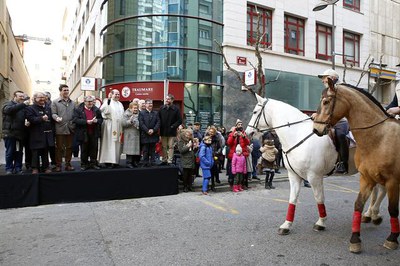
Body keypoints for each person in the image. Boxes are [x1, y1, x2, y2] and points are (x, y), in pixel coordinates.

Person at [314, 69, 350, 174]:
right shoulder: (325, 92)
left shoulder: (342, 88)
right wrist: (317, 114)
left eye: (324, 78)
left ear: (332, 78)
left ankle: (343, 163)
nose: (322, 81)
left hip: (342, 121)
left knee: (340, 134)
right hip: (328, 120)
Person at [25, 92, 55, 174]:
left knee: (45, 151)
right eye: (40, 97)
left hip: (46, 134)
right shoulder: (30, 108)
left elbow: (51, 121)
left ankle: (46, 167)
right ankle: (35, 168)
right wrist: (41, 118)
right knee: (35, 152)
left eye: (44, 97)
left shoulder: (48, 108)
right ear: (35, 99)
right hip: (35, 133)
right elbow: (31, 119)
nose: (42, 99)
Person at [1, 90, 30, 174]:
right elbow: (8, 110)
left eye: (23, 96)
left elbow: (27, 116)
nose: (22, 98)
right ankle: (9, 169)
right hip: (9, 133)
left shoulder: (23, 106)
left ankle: (18, 168)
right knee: (10, 152)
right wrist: (23, 104)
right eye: (20, 96)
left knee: (19, 152)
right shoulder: (7, 104)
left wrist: (27, 122)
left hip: (20, 134)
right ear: (15, 96)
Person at [73, 95, 103, 171]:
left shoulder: (96, 109)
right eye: (88, 101)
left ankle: (93, 163)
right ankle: (84, 164)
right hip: (83, 133)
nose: (90, 103)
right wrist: (86, 122)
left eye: (92, 101)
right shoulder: (78, 109)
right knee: (84, 149)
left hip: (94, 132)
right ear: (85, 102)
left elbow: (101, 119)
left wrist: (97, 121)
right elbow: (75, 120)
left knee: (94, 149)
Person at [51, 84, 76, 172]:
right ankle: (58, 165)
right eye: (64, 90)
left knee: (69, 147)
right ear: (60, 91)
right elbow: (53, 113)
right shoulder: (55, 102)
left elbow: (75, 115)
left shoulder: (73, 103)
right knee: (59, 148)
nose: (66, 92)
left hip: (70, 128)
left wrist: (73, 123)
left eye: (67, 90)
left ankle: (68, 164)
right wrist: (56, 118)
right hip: (60, 128)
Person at [98, 89, 125, 168]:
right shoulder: (108, 102)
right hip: (109, 126)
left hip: (118, 126)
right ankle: (108, 161)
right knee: (108, 143)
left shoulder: (120, 104)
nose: (117, 96)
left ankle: (115, 161)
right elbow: (101, 111)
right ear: (111, 94)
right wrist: (108, 103)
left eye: (118, 94)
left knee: (117, 143)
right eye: (115, 94)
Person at [158, 94, 182, 165]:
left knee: (171, 147)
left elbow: (179, 120)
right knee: (164, 146)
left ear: (172, 100)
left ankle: (170, 161)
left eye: (168, 99)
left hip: (172, 131)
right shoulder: (161, 108)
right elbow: (158, 119)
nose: (167, 100)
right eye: (166, 99)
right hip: (163, 131)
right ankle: (164, 160)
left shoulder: (176, 109)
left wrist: (173, 126)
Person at [226, 119, 250, 187]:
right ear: (236, 126)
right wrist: (233, 136)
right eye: (239, 124)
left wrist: (244, 137)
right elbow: (229, 143)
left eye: (241, 124)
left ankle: (241, 183)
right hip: (234, 154)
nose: (240, 126)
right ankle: (232, 182)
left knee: (242, 169)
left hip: (242, 154)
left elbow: (248, 143)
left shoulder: (244, 133)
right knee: (233, 169)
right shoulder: (232, 133)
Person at [139, 99, 160, 167]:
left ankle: (153, 162)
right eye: (148, 103)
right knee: (145, 150)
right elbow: (141, 123)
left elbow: (158, 122)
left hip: (153, 134)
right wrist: (147, 130)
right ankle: (145, 162)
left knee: (152, 150)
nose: (150, 104)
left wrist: (153, 130)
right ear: (145, 104)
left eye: (151, 103)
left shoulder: (156, 113)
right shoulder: (142, 113)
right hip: (145, 134)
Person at [122, 102, 141, 168]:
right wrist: (130, 121)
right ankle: (128, 163)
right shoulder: (126, 114)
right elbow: (123, 124)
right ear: (130, 108)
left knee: (136, 149)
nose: (136, 109)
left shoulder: (140, 114)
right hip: (129, 135)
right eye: (134, 108)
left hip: (137, 134)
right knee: (129, 150)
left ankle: (135, 162)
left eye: (137, 108)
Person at [44, 91, 56, 169]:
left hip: (52, 129)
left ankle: (54, 162)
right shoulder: (40, 105)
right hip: (43, 129)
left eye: (44, 96)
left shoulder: (53, 105)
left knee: (52, 147)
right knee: (44, 147)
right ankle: (45, 164)